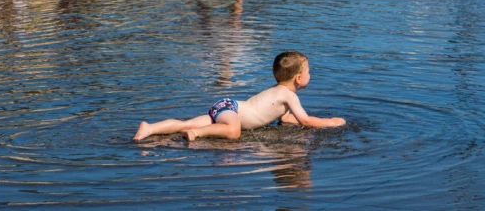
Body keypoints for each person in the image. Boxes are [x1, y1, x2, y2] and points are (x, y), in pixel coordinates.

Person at [133, 51, 346, 142]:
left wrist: (289, 121)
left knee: (184, 122)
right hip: (232, 111)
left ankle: (150, 128)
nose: (311, 75)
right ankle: (196, 134)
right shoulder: (288, 95)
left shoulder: (279, 91)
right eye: (309, 71)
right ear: (299, 78)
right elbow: (306, 120)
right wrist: (331, 122)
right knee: (233, 132)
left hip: (227, 106)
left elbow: (285, 118)